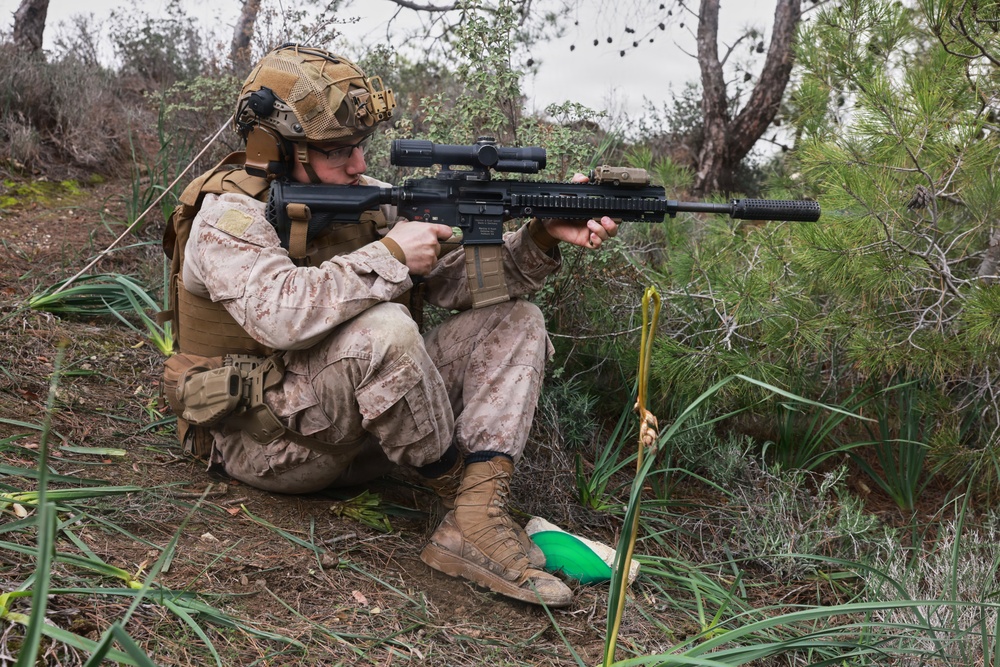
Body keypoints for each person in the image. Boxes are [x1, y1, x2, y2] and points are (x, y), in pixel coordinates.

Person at [162, 43, 617, 608]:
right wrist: (391, 256)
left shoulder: (367, 197)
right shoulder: (228, 218)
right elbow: (278, 315)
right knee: (386, 328)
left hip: (362, 438)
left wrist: (541, 237)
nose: (357, 166)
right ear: (277, 149)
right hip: (268, 443)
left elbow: (453, 284)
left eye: (361, 148)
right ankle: (462, 493)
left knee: (517, 320)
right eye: (339, 152)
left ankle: (471, 521)